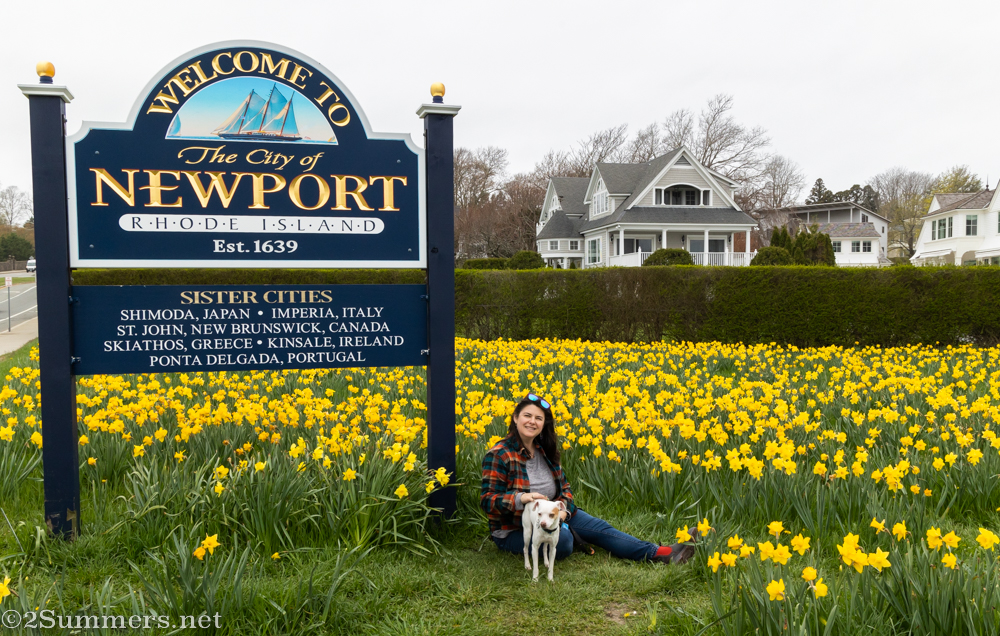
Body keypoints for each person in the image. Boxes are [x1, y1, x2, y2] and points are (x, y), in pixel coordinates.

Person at [481, 393, 698, 564]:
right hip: (515, 529)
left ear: (543, 425)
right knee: (564, 543)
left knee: (602, 529)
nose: (532, 422)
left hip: (556, 515)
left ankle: (664, 553)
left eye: (538, 418)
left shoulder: (544, 450)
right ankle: (571, 536)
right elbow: (488, 500)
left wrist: (564, 511)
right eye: (527, 416)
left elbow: (564, 488)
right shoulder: (500, 454)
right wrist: (521, 499)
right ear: (515, 418)